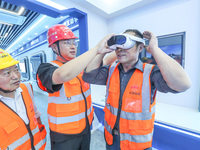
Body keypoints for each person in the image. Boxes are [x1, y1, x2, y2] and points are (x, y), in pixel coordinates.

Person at [82, 29, 191, 150]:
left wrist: (155, 50)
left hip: (137, 145)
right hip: (112, 140)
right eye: (118, 47)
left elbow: (183, 84)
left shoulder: (150, 73)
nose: (120, 49)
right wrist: (102, 52)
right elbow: (88, 76)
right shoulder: (111, 70)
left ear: (140, 48)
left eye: (126, 45)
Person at [36, 24, 116, 150]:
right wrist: (96, 49)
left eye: (74, 42)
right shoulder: (46, 68)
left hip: (85, 128)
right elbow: (63, 75)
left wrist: (118, 48)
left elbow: (105, 61)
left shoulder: (80, 64)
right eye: (67, 43)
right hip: (64, 134)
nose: (73, 46)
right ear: (54, 47)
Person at [0, 49, 47, 150]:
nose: (16, 76)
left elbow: (36, 115)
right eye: (7, 73)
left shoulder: (26, 88)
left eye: (16, 70)